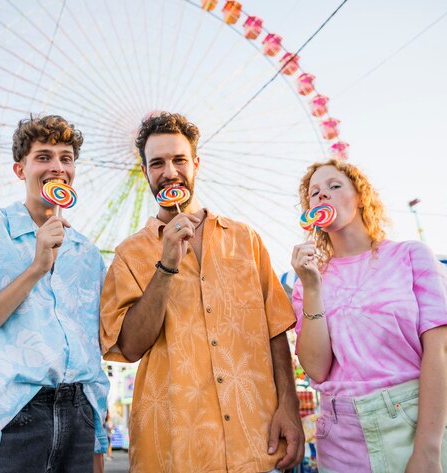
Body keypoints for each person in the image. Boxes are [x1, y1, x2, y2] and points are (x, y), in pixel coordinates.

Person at [100, 112, 305, 472]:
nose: (169, 171)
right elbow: (129, 346)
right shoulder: (129, 254)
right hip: (175, 447)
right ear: (145, 172)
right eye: (157, 163)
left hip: (254, 439)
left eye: (179, 160)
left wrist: (289, 407)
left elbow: (275, 331)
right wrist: (165, 266)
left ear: (196, 163)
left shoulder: (246, 240)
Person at [0, 115, 110, 473]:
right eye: (43, 157)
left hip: (77, 417)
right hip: (7, 419)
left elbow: (90, 355)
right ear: (20, 169)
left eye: (66, 157)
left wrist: (96, 438)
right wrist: (36, 267)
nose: (56, 167)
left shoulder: (88, 255)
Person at [290, 159, 447, 473]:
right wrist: (311, 287)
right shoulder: (306, 282)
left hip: (417, 420)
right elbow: (317, 369)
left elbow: (441, 350)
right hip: (341, 435)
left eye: (334, 186)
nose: (322, 195)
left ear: (361, 197)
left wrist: (428, 449)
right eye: (314, 193)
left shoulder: (411, 255)